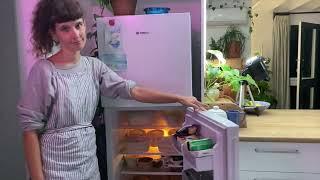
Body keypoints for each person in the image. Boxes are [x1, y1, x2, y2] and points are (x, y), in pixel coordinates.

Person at [17, 0, 207, 179]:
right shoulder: (43, 71)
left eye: (78, 25)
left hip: (88, 165)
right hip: (55, 168)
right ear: (53, 33)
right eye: (65, 29)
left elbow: (132, 90)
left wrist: (178, 97)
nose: (76, 34)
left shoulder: (94, 66)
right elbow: (30, 131)